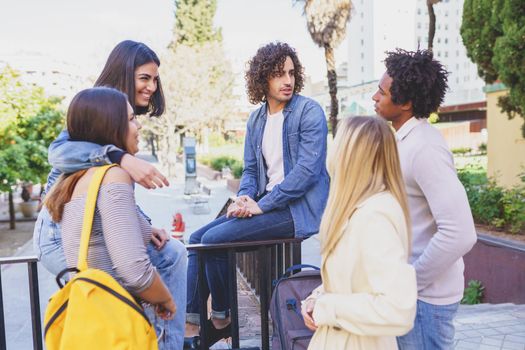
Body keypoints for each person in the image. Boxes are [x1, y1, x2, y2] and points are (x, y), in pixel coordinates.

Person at [33, 40, 187, 350]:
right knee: (135, 281)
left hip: (78, 224)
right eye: (145, 78)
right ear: (124, 73)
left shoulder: (115, 125)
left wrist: (144, 226)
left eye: (155, 79)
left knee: (160, 260)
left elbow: (111, 201)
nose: (152, 87)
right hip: (58, 229)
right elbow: (59, 154)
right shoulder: (94, 112)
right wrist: (120, 157)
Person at [184, 42, 329, 347]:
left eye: (291, 73)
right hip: (267, 204)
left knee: (212, 241)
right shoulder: (256, 119)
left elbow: (306, 173)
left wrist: (262, 206)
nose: (287, 80)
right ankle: (193, 326)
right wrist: (244, 199)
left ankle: (221, 319)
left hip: (296, 210)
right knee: (197, 239)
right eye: (279, 74)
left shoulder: (308, 112)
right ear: (263, 79)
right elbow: (250, 171)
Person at [45, 87, 176, 340]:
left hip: (91, 317)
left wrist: (148, 230)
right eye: (130, 119)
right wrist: (166, 299)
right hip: (117, 320)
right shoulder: (114, 175)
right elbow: (134, 271)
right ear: (110, 127)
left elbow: (100, 228)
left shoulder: (75, 178)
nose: (138, 126)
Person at [372, 49, 477, 349]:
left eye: (382, 92)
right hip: (410, 297)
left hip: (426, 303)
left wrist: (410, 282)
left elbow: (460, 233)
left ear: (405, 103)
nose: (374, 98)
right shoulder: (403, 141)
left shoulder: (426, 149)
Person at [301, 116, 417, 349]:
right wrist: (316, 298)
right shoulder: (360, 209)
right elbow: (354, 282)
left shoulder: (375, 216)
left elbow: (396, 309)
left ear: (350, 157)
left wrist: (327, 307)